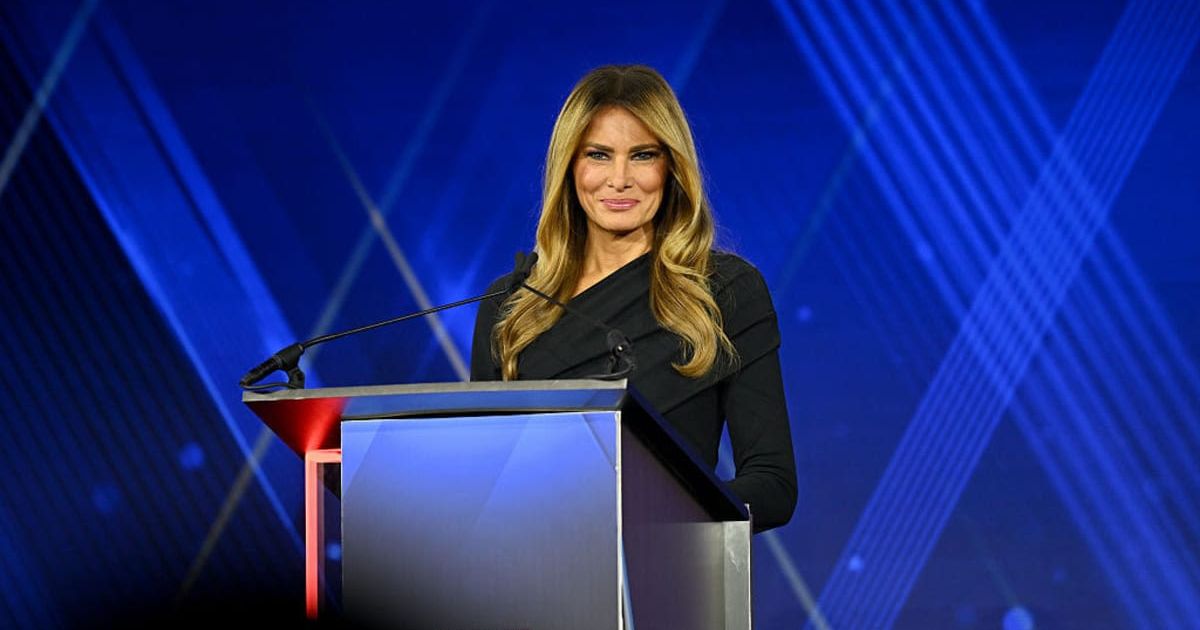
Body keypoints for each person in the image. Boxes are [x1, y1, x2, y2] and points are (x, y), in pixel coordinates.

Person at [470, 64, 796, 531]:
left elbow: (773, 484)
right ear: (569, 167)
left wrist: (672, 516)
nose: (619, 179)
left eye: (642, 155)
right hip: (529, 578)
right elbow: (482, 478)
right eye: (598, 155)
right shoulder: (512, 304)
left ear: (672, 167)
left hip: (663, 578)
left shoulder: (724, 292)